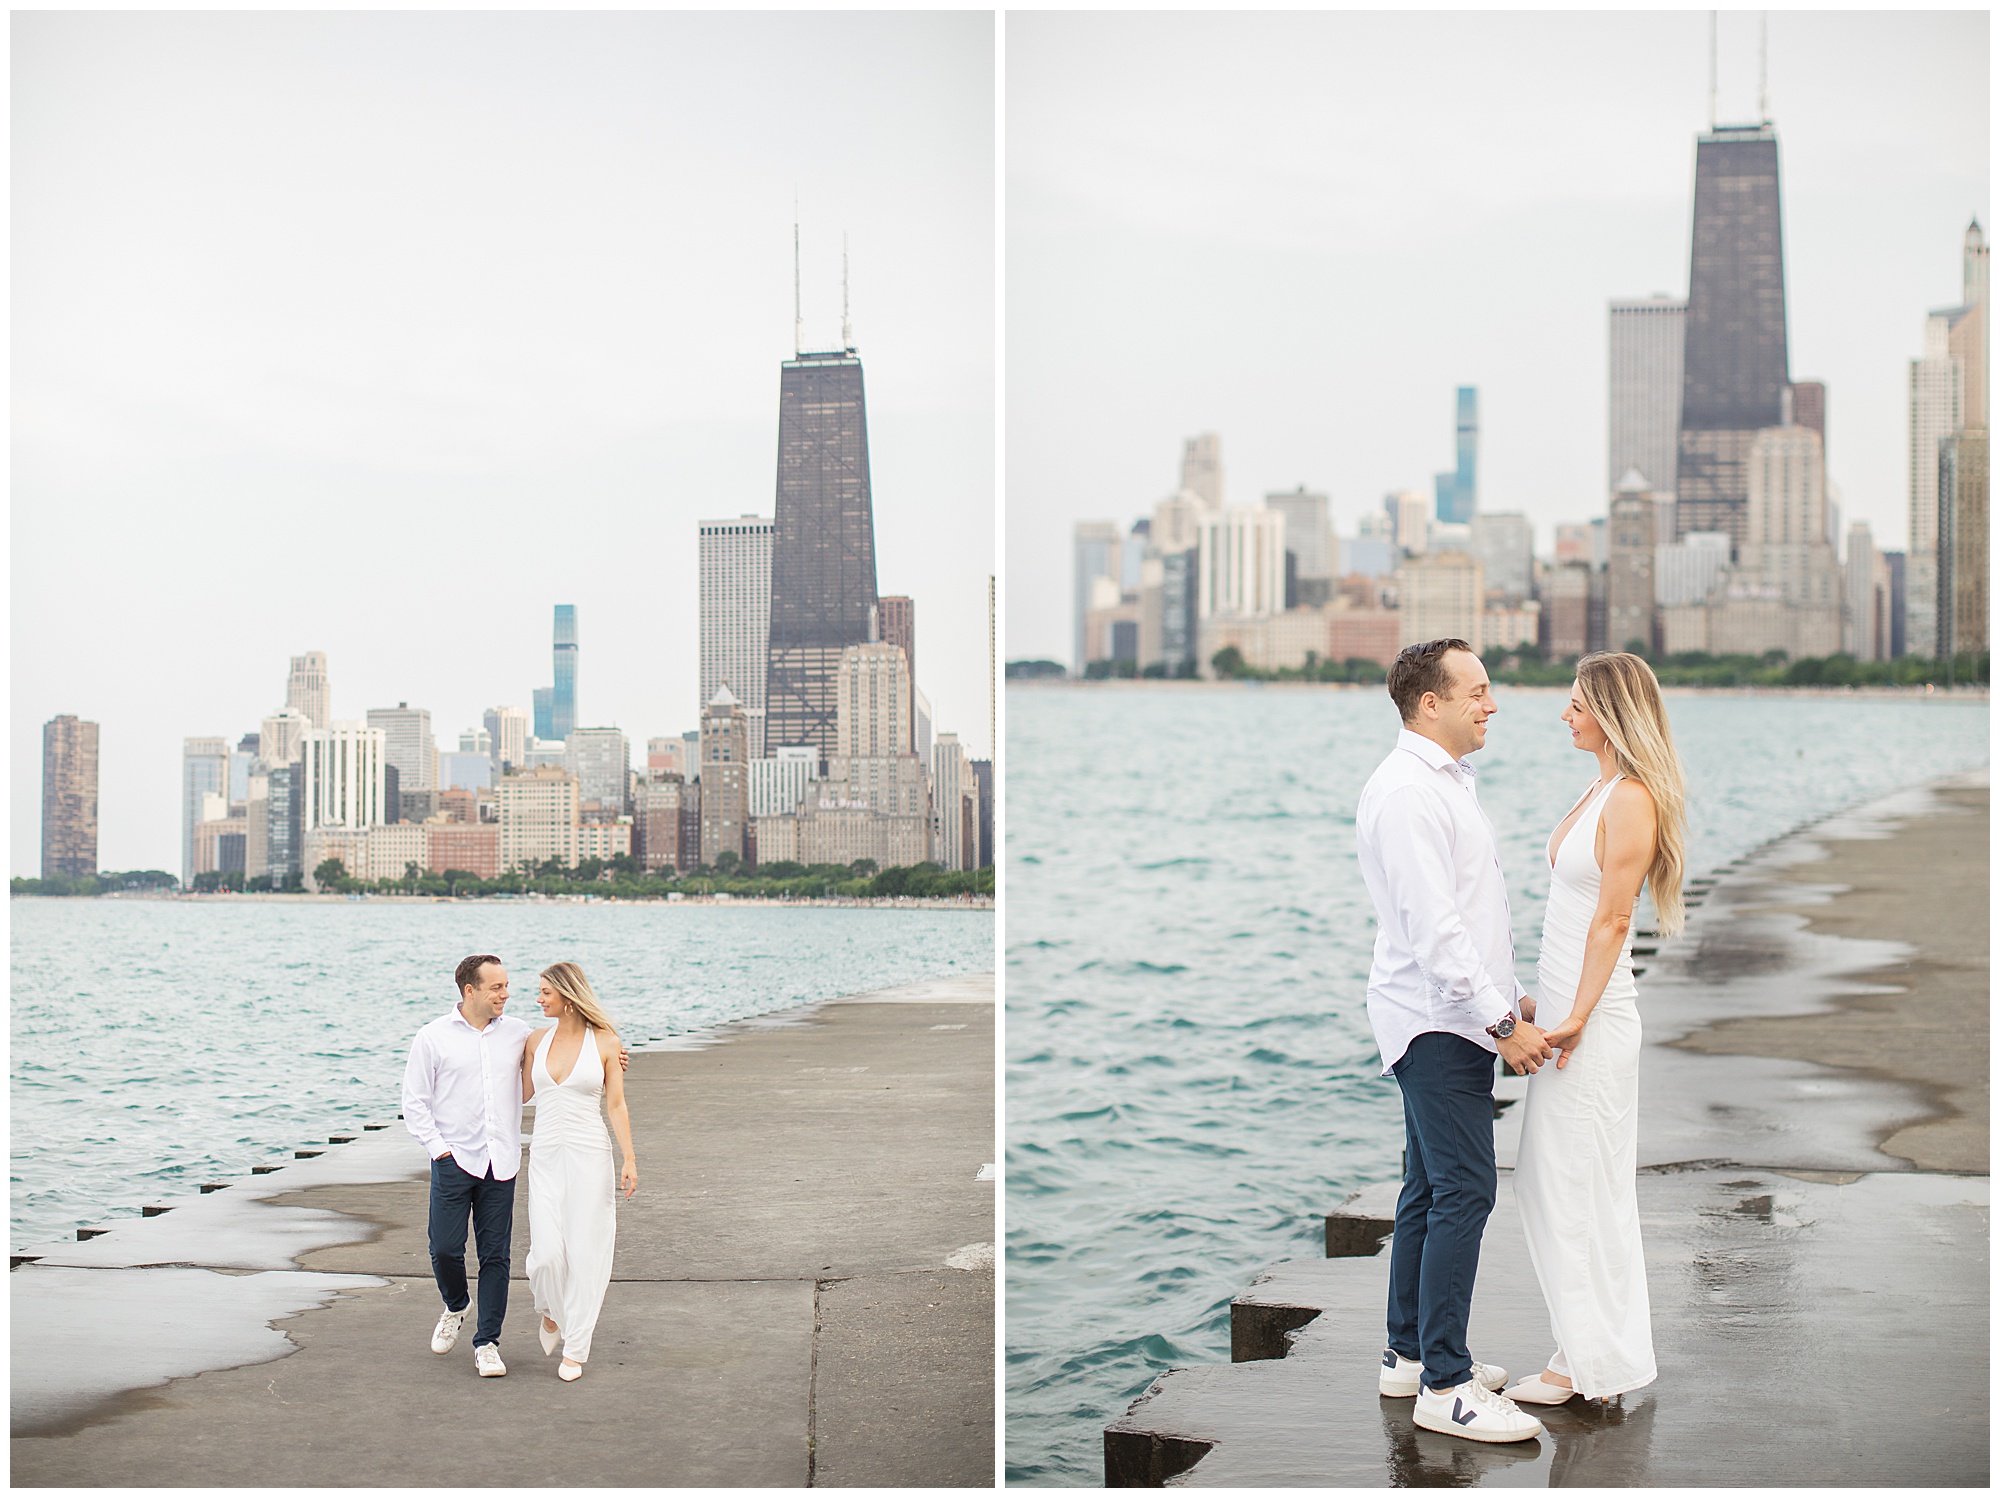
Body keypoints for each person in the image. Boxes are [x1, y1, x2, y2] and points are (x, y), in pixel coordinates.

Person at [1355, 638, 1553, 1444]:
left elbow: (1464, 915)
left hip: (1451, 1015)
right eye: (1476, 691)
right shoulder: (1408, 793)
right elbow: (1436, 932)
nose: (1492, 704)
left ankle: (1408, 1356)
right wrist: (1502, 1025)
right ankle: (1445, 1382)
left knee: (1429, 1190)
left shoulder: (1441, 784)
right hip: (1439, 1022)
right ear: (1427, 703)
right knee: (1466, 1190)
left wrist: (1505, 998)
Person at [1503, 652, 1685, 1408]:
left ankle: (1591, 1364)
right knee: (1556, 1183)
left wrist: (1576, 1012)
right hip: (1571, 1007)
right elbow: (1574, 916)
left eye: (1577, 704)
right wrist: (1545, 999)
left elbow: (1613, 918)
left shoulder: (1633, 798)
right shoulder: (1598, 787)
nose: (1564, 714)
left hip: (1598, 1021)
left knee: (1580, 1186)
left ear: (1611, 713)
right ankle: (1584, 1349)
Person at [402, 954, 532, 1378]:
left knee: (496, 1256)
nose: (505, 994)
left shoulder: (518, 1033)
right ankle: (457, 1304)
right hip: (454, 1158)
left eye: (506, 985)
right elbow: (414, 1101)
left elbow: (560, 1052)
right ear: (469, 990)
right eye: (496, 987)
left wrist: (610, 1057)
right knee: (444, 1248)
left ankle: (487, 1342)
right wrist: (439, 1149)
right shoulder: (433, 1037)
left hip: (502, 1160)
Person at [522, 961, 638, 1382]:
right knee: (548, 1255)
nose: (538, 999)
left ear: (568, 997)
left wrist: (629, 1158)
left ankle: (576, 1349)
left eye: (545, 993)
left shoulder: (606, 1042)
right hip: (546, 1157)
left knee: (587, 1253)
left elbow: (616, 1104)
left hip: (590, 1155)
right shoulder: (535, 1040)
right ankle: (551, 1310)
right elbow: (516, 1092)